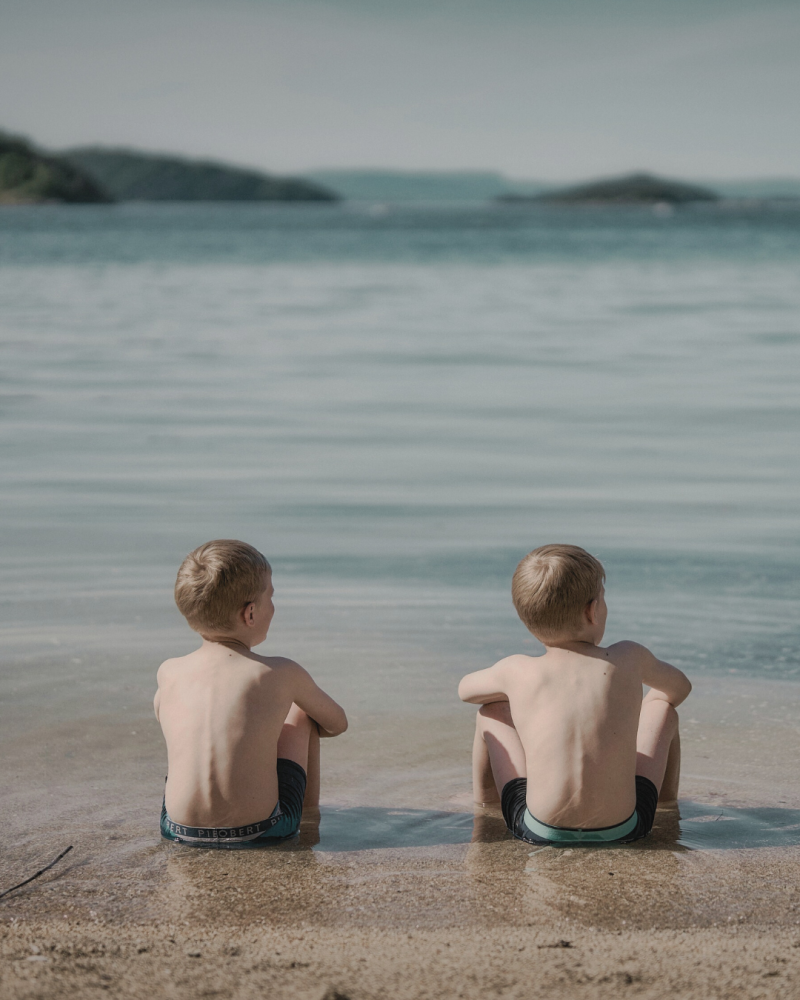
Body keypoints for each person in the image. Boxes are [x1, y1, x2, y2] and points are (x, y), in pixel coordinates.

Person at [458, 544, 691, 845]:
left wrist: (513, 693)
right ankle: (666, 806)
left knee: (490, 710)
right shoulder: (630, 656)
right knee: (663, 708)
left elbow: (465, 690)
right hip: (626, 827)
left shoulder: (516, 670)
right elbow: (679, 689)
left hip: (538, 829)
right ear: (593, 610)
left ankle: (485, 806)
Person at [155, 539, 347, 847]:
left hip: (177, 829)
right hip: (262, 830)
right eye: (271, 596)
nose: (275, 605)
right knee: (302, 712)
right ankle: (309, 818)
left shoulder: (169, 672)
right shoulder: (281, 672)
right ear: (251, 614)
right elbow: (337, 723)